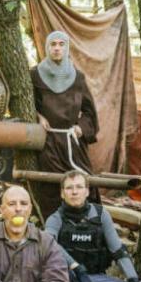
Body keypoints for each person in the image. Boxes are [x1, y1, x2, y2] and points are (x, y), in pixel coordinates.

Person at [30, 30, 99, 216]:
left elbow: (89, 111)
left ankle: (88, 226)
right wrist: (38, 116)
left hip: (73, 141)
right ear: (47, 47)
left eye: (61, 44)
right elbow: (27, 105)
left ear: (67, 48)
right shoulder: (35, 75)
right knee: (52, 187)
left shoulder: (77, 77)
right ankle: (54, 230)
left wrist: (81, 127)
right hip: (49, 140)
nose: (57, 48)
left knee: (84, 183)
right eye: (53, 44)